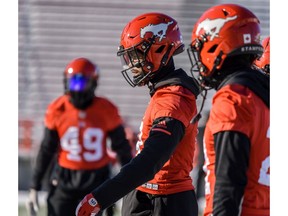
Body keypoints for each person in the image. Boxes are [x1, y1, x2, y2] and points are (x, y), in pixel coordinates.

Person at [75, 12, 200, 216]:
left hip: (164, 202)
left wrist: (101, 197)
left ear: (159, 50)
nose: (131, 64)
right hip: (149, 196)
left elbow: (150, 161)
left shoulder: (173, 98)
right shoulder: (164, 92)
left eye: (135, 55)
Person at [187, 4, 270, 216]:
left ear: (217, 45)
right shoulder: (263, 91)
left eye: (201, 47)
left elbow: (228, 182)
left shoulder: (234, 98)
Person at [26, 57, 133, 216]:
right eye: (73, 82)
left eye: (81, 83)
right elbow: (46, 148)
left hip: (97, 180)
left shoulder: (105, 109)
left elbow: (121, 147)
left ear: (93, 83)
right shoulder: (58, 108)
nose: (76, 88)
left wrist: (132, 181)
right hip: (64, 178)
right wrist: (34, 185)